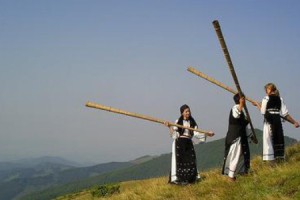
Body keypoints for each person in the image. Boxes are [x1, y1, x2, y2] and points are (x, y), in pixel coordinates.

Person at [164, 104, 214, 185]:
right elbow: (175, 135)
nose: (188, 113)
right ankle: (180, 180)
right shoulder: (178, 122)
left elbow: (197, 133)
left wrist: (207, 134)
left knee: (190, 160)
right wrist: (169, 127)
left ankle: (191, 179)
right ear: (182, 113)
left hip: (188, 142)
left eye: (189, 111)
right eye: (186, 111)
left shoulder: (192, 122)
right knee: (180, 161)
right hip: (179, 143)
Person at [253, 83, 299, 162]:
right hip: (277, 122)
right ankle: (278, 160)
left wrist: (257, 105)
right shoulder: (280, 99)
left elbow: (263, 112)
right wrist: (294, 122)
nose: (266, 91)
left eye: (266, 89)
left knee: (269, 142)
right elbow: (285, 114)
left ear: (269, 89)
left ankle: (271, 163)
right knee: (278, 139)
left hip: (269, 122)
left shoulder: (266, 98)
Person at [222, 93, 251, 181]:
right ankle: (231, 177)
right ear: (240, 100)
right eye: (243, 99)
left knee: (242, 156)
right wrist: (241, 104)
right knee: (235, 156)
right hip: (235, 137)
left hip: (241, 137)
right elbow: (236, 115)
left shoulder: (242, 111)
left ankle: (241, 173)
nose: (245, 101)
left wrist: (250, 136)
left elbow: (244, 126)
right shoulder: (235, 108)